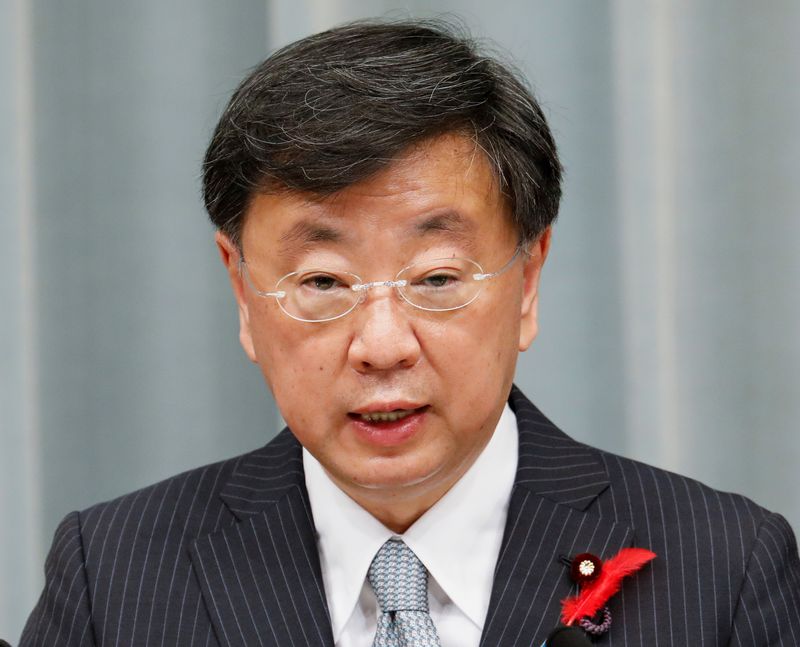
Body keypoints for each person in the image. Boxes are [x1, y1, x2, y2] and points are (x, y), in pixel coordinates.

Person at [20, 19, 800, 647]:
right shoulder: (114, 577)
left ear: (528, 280)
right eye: (323, 282)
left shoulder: (722, 570)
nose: (383, 345)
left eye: (435, 279)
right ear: (242, 289)